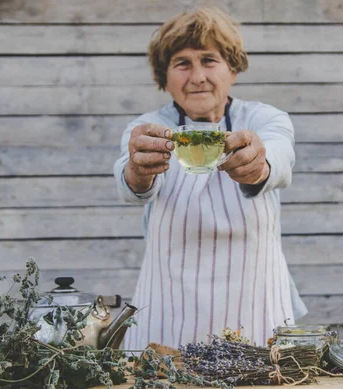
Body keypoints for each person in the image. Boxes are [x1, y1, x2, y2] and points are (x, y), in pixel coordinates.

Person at [114, 6, 307, 349]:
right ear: (165, 77)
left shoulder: (265, 119)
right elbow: (131, 183)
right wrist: (137, 170)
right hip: (168, 308)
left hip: (255, 304)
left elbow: (278, 158)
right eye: (182, 63)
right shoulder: (147, 128)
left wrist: (258, 165)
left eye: (209, 60)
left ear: (233, 70)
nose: (197, 75)